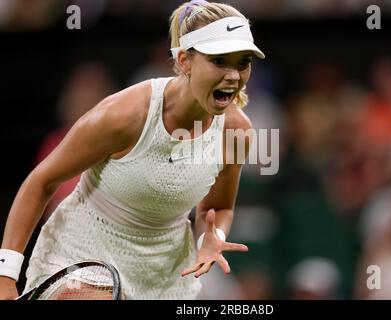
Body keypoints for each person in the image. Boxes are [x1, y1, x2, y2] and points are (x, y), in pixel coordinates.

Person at [0, 0, 265, 300]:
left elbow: (219, 209)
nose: (233, 75)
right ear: (184, 60)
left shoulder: (236, 132)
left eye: (242, 62)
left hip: (164, 273)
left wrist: (212, 237)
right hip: (84, 253)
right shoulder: (123, 116)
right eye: (219, 61)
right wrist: (5, 275)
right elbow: (42, 181)